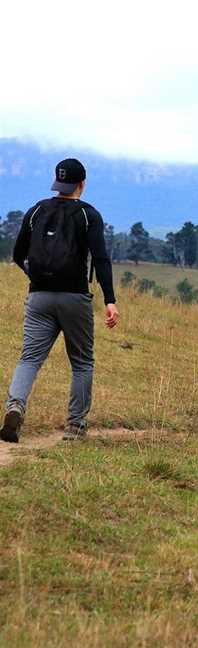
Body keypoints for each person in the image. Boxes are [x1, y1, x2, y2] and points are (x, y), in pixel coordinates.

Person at [1, 158, 119, 444]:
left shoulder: (37, 210)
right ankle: (75, 427)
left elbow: (18, 254)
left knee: (29, 357)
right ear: (82, 184)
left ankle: (15, 406)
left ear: (58, 182)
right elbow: (101, 259)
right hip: (75, 297)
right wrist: (110, 300)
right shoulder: (89, 215)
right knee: (81, 362)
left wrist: (38, 279)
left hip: (38, 296)